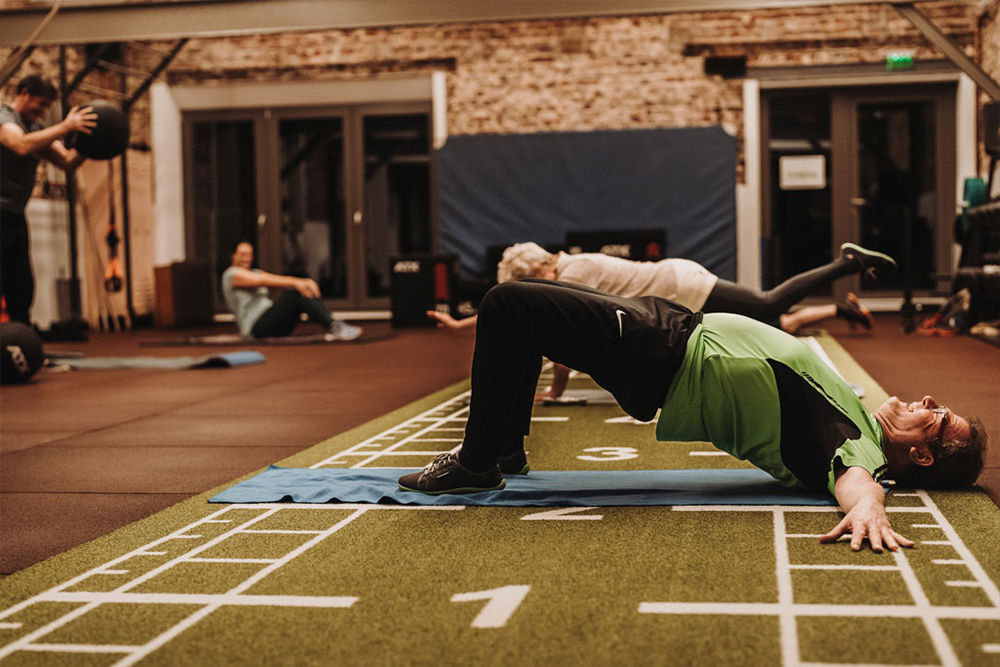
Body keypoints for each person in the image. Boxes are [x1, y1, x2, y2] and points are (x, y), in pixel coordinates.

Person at [399, 279, 988, 552]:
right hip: (670, 337)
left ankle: (478, 462)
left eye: (937, 418)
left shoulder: (859, 449)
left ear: (923, 454)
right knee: (524, 311)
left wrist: (870, 511)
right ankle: (503, 451)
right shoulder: (860, 413)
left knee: (505, 304)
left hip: (662, 352)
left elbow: (857, 486)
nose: (927, 401)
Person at [428, 242, 880, 399]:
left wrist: (557, 389)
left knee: (765, 307)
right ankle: (838, 303)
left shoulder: (573, 272)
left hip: (681, 286)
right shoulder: (565, 270)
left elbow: (558, 324)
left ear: (538, 270)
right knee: (767, 326)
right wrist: (460, 326)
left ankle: (843, 264)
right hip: (675, 293)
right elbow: (515, 311)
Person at [0, 75, 97, 325]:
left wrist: (92, 144)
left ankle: (20, 341)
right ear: (24, 93)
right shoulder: (5, 119)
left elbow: (67, 162)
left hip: (15, 214)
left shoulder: (36, 130)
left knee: (21, 284)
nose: (42, 111)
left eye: (46, 107)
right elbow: (19, 145)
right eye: (40, 104)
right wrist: (65, 127)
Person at [221, 241, 363, 341]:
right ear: (232, 256)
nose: (247, 259)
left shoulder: (254, 271)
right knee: (295, 293)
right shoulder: (231, 274)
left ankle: (330, 322)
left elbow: (274, 277)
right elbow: (265, 281)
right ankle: (333, 325)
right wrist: (298, 283)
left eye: (250, 255)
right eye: (242, 255)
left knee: (300, 291)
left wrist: (304, 282)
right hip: (255, 327)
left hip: (271, 323)